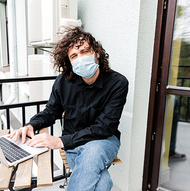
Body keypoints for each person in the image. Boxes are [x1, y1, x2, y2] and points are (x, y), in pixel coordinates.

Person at [9, 26, 128, 191]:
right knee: (103, 184)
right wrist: (31, 125)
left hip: (104, 141)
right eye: (74, 56)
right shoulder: (63, 82)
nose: (80, 58)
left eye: (85, 51)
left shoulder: (118, 83)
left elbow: (105, 127)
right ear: (70, 62)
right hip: (73, 145)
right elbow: (51, 111)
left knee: (92, 152)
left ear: (97, 53)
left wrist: (60, 141)